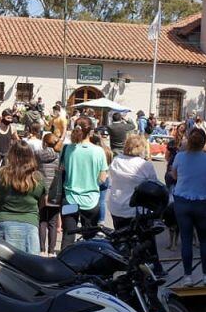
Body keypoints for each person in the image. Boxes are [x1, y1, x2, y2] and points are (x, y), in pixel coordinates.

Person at [107, 134, 164, 275]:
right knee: (147, 239)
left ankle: (125, 266)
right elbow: (154, 185)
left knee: (121, 238)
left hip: (116, 205)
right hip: (136, 209)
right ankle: (154, 268)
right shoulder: (144, 165)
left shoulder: (117, 160)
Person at [171, 128, 206, 287]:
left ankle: (188, 277)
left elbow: (174, 176)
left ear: (188, 141)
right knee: (205, 239)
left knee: (186, 239)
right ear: (204, 141)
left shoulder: (180, 156)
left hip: (183, 200)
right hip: (203, 201)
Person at [60, 116, 108, 249]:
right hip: (91, 201)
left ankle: (63, 265)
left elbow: (62, 169)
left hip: (70, 199)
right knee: (89, 239)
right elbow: (103, 178)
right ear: (91, 131)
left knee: (68, 235)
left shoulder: (67, 149)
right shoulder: (98, 151)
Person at [0, 141, 45, 254]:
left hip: (5, 221)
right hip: (30, 223)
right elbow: (43, 202)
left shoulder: (2, 174)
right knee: (30, 265)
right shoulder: (37, 178)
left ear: (11, 155)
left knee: (2, 263)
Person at [37, 133, 62, 256]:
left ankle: (41, 250)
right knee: (52, 222)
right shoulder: (59, 156)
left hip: (41, 190)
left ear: (45, 143)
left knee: (42, 220)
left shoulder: (37, 155)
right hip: (55, 192)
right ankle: (51, 251)